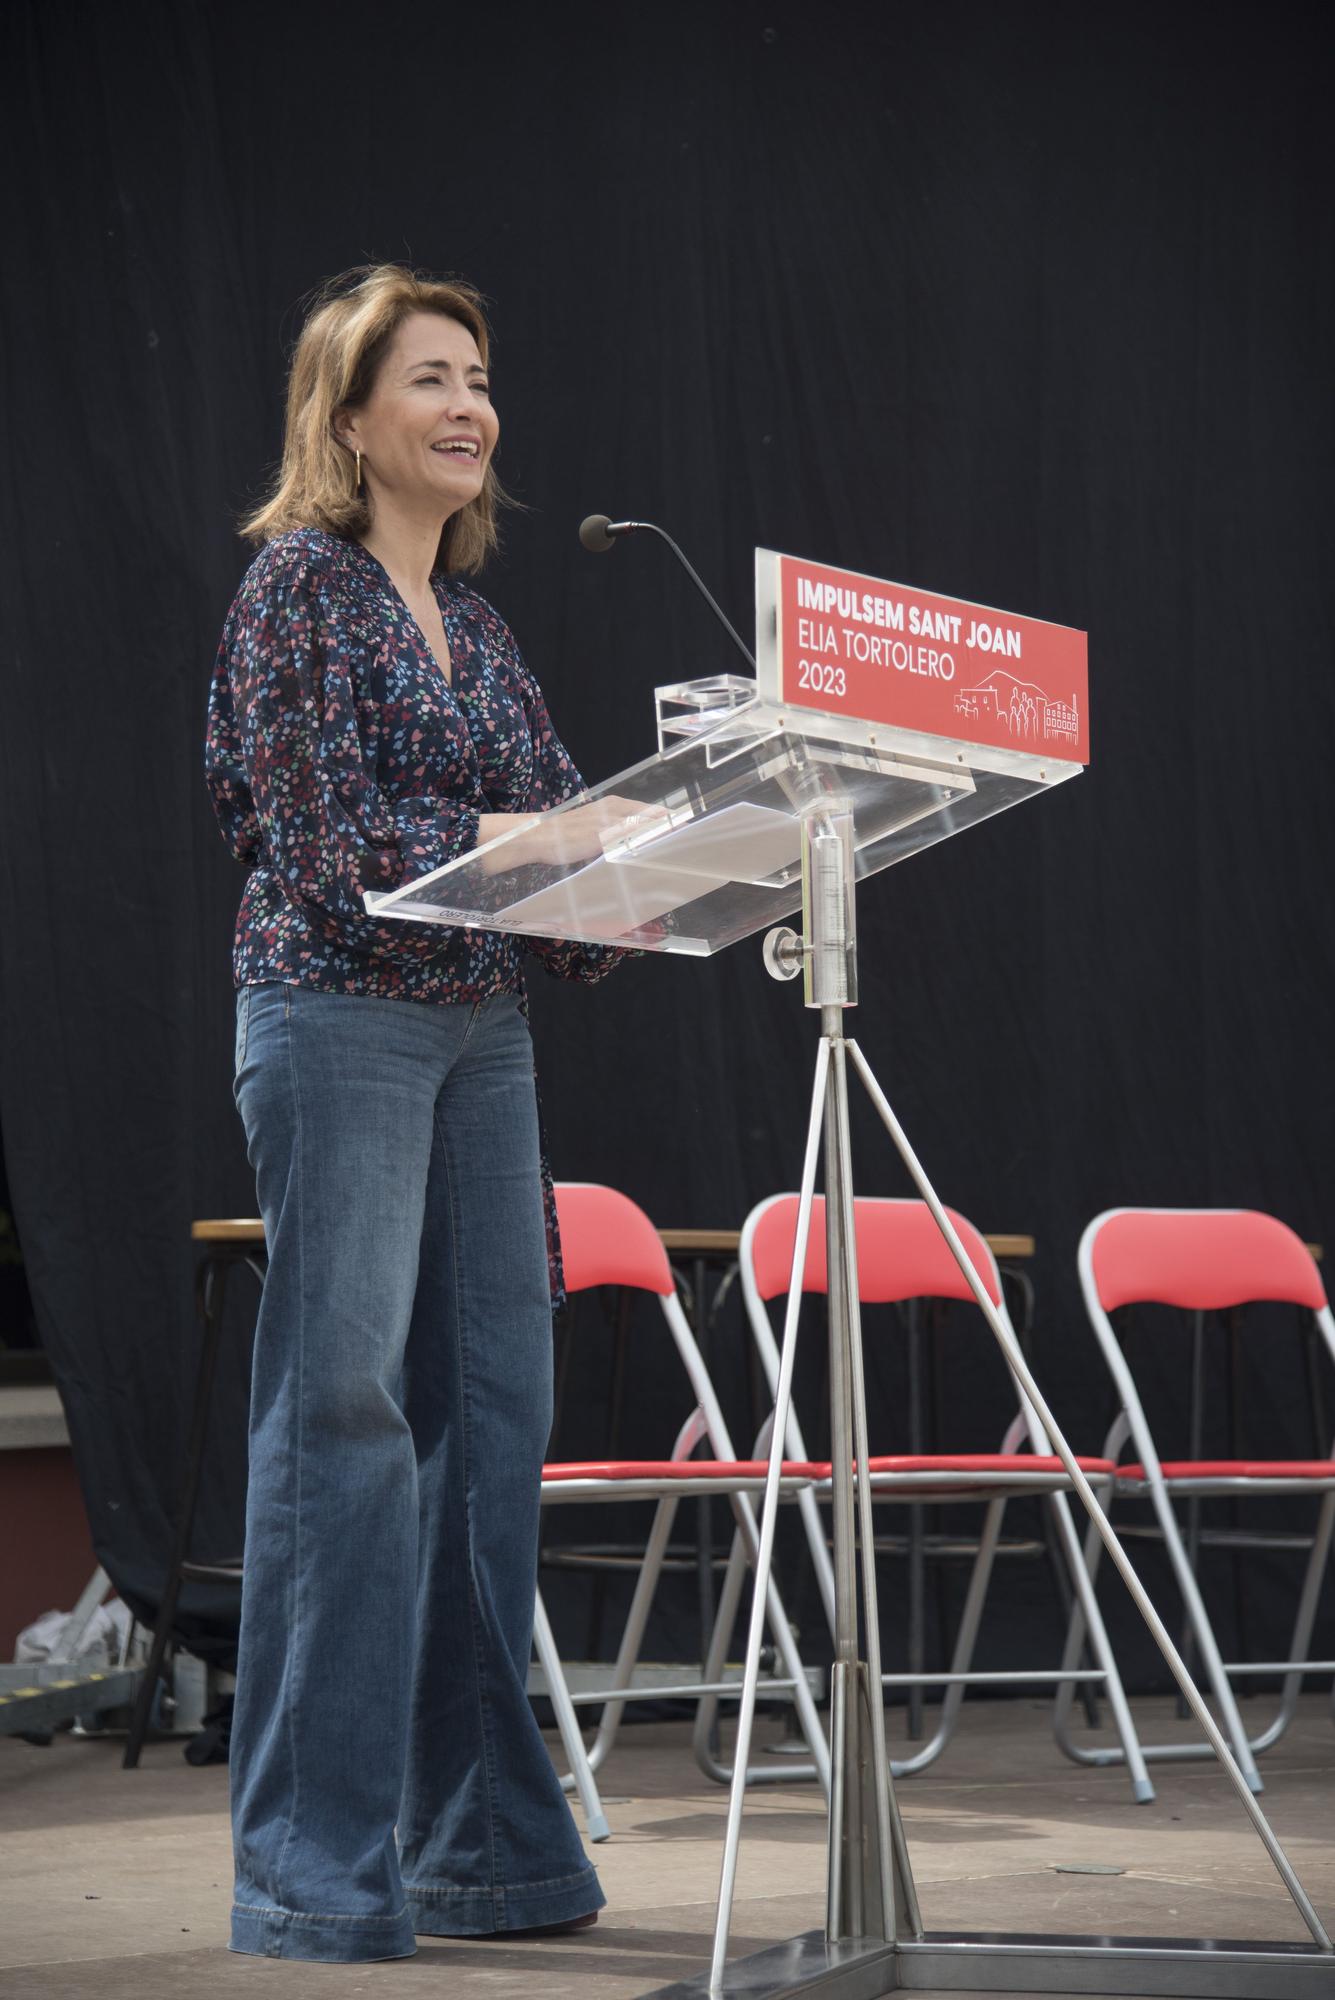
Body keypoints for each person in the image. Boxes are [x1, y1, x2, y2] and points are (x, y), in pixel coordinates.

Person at [204, 264, 631, 1963]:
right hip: (341, 1024)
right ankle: (313, 1871)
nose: (471, 406)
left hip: (484, 1039)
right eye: (433, 378)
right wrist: (541, 855)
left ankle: (488, 1849)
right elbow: (326, 849)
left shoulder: (491, 627)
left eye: (481, 379)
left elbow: (568, 838)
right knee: (351, 1434)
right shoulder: (298, 591)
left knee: (493, 1427)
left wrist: (643, 870)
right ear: (354, 415)